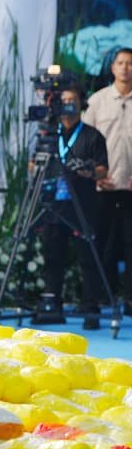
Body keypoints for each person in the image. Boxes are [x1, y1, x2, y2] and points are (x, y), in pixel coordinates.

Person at [38, 86, 109, 330]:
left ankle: (91, 306)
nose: (68, 104)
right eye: (64, 100)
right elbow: (32, 164)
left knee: (88, 257)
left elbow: (103, 170)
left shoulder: (92, 136)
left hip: (83, 205)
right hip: (53, 205)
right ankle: (52, 304)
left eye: (72, 100)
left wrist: (88, 170)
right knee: (52, 256)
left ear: (81, 104)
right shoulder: (49, 135)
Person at [84, 48, 132, 313]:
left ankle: (130, 298)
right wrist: (96, 175)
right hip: (103, 187)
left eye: (130, 63)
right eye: (121, 63)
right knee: (103, 242)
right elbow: (83, 142)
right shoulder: (97, 101)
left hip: (130, 187)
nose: (125, 68)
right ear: (112, 68)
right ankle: (103, 296)